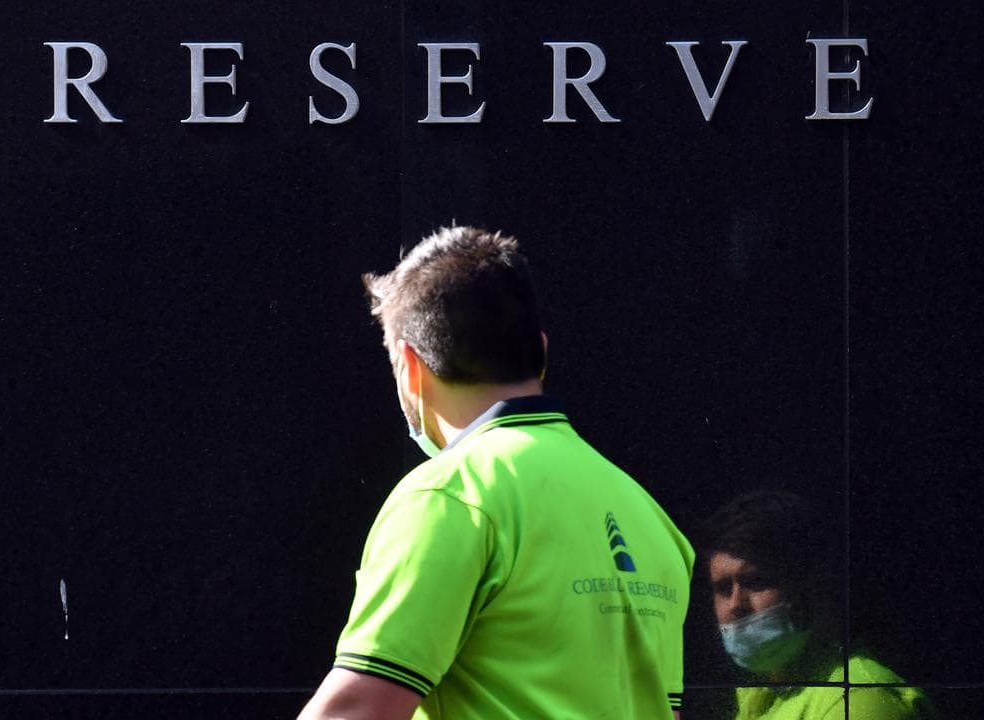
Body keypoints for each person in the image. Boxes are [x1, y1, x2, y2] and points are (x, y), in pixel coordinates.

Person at [297, 226, 695, 720]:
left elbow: (356, 712)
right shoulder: (649, 515)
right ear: (542, 351)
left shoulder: (448, 496)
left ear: (407, 364)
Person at [701, 491, 933, 720]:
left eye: (756, 581)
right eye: (722, 588)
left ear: (812, 584)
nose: (735, 604)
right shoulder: (761, 700)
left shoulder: (856, 701)